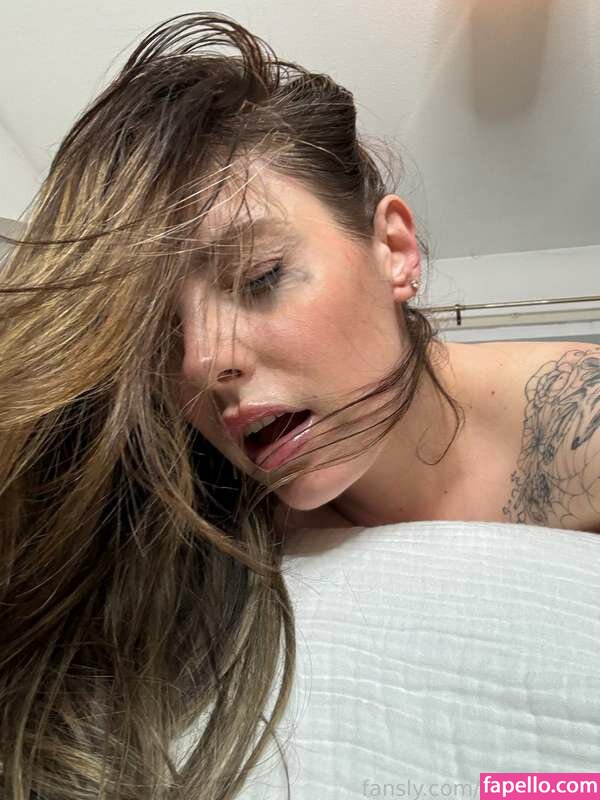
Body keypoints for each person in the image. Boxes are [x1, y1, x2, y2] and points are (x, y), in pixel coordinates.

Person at [0, 10, 598, 800]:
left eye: (259, 278)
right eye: (161, 337)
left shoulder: (578, 427)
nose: (202, 362)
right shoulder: (205, 509)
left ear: (394, 251)